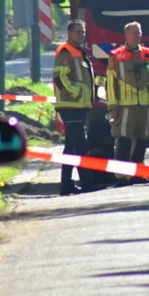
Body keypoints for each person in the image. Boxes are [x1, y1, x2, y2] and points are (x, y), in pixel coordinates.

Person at [106, 21, 149, 181]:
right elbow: (110, 83)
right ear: (126, 35)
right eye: (133, 33)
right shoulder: (116, 56)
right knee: (124, 138)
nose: (137, 36)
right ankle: (122, 175)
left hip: (146, 104)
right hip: (125, 105)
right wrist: (113, 106)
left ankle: (138, 172)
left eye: (139, 33)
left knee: (143, 137)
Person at [53, 21, 98, 195]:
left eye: (83, 32)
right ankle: (87, 183)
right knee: (80, 146)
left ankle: (66, 184)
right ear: (69, 33)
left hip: (79, 106)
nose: (81, 35)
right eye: (78, 32)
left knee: (71, 147)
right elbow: (60, 77)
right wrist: (75, 92)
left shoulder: (80, 52)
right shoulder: (66, 52)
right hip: (70, 105)